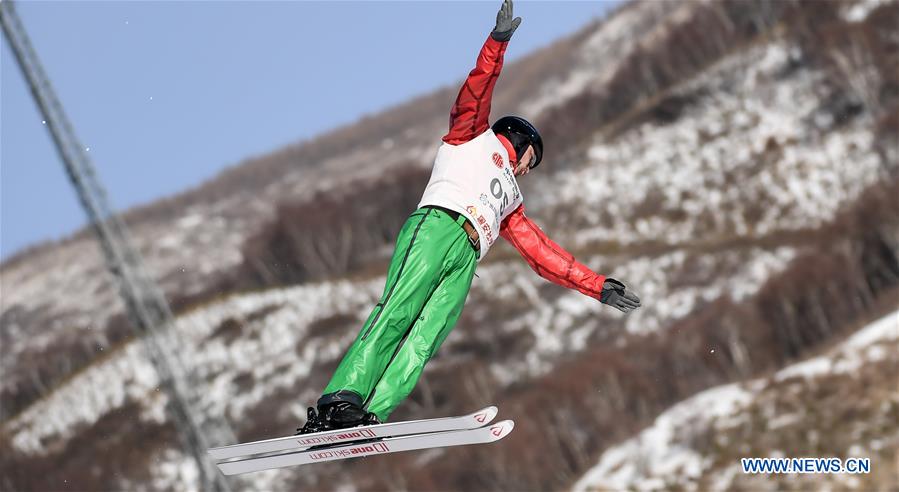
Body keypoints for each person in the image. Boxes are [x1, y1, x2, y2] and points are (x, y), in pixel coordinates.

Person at [297, 0, 641, 434]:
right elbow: (476, 92)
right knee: (398, 312)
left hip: (467, 254)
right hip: (438, 227)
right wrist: (496, 44)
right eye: (530, 160)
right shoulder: (473, 137)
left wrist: (597, 287)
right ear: (519, 140)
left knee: (425, 339)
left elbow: (542, 253)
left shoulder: (511, 200)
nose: (526, 171)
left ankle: (368, 414)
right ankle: (340, 397)